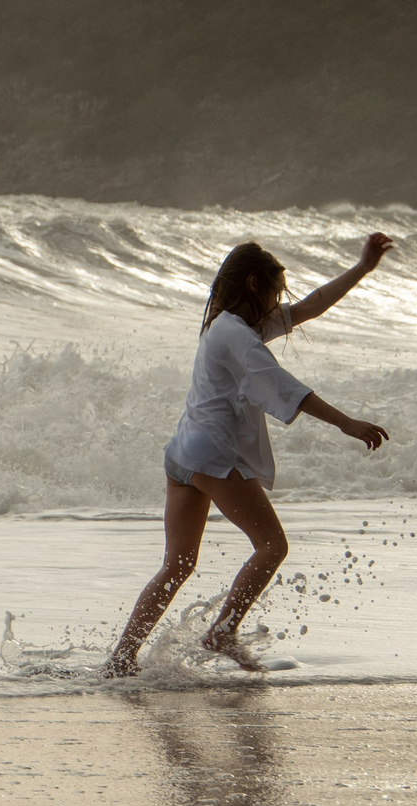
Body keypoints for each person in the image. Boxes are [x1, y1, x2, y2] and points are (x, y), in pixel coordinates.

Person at [106, 234, 394, 676]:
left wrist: (362, 268)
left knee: (176, 566)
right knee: (272, 546)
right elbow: (284, 387)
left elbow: (310, 306)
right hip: (212, 456)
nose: (279, 303)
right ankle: (223, 632)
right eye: (275, 293)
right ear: (254, 284)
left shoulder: (226, 325)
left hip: (183, 454)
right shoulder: (238, 336)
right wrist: (346, 423)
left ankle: (121, 658)